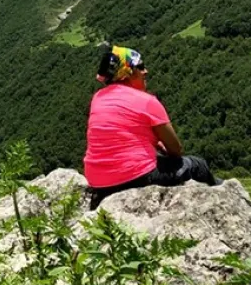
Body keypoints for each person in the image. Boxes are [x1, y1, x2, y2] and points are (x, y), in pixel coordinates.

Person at [85, 44, 221, 209]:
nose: (146, 71)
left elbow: (120, 134)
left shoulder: (98, 98)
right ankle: (223, 195)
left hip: (97, 181)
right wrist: (163, 149)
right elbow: (176, 149)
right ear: (128, 72)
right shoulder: (147, 101)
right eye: (140, 66)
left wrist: (154, 144)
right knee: (198, 165)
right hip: (135, 177)